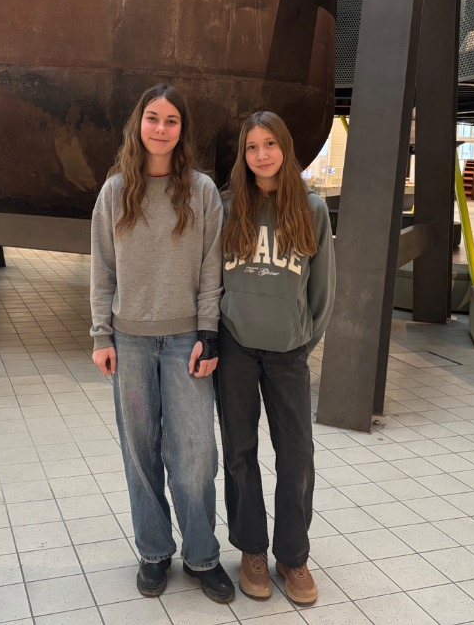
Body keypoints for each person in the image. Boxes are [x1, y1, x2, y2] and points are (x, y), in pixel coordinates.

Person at [89, 83, 234, 603]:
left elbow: (212, 269)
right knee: (140, 450)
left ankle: (201, 555)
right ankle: (153, 551)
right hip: (129, 342)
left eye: (172, 120)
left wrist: (208, 334)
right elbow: (102, 268)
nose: (161, 128)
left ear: (181, 130)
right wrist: (101, 334)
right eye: (153, 117)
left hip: (185, 341)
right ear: (139, 123)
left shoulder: (201, 191)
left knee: (195, 453)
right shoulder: (114, 193)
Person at [215, 111, 336, 605]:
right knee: (239, 451)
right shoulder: (227, 207)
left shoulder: (312, 208)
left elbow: (323, 290)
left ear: (285, 148)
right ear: (242, 155)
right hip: (236, 346)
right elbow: (211, 279)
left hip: (288, 351)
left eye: (269, 144)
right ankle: (251, 549)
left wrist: (302, 339)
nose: (261, 155)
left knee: (297, 455)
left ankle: (292, 554)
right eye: (251, 147)